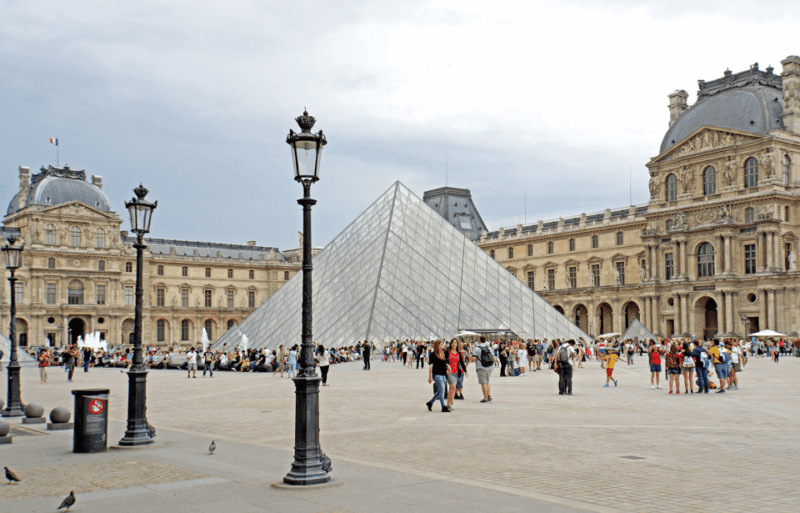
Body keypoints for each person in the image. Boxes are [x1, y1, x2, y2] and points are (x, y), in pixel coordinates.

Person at [426, 340, 450, 412]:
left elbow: (444, 363)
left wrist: (448, 367)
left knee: (440, 390)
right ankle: (443, 407)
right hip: (437, 375)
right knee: (442, 390)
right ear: (438, 345)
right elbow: (431, 366)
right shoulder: (433, 354)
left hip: (443, 375)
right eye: (441, 344)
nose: (443, 345)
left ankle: (430, 403)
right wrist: (430, 376)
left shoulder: (443, 353)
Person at [471, 336, 493, 403]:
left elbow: (474, 358)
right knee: (487, 381)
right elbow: (493, 355)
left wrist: (471, 358)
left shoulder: (477, 348)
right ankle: (489, 395)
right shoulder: (489, 347)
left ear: (479, 340)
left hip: (481, 367)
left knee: (483, 383)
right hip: (489, 366)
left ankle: (485, 398)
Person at [446, 339, 460, 409]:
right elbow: (445, 361)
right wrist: (446, 369)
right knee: (453, 386)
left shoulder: (458, 353)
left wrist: (465, 370)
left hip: (456, 373)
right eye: (453, 342)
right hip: (449, 372)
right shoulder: (448, 352)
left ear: (457, 344)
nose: (454, 344)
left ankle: (448, 403)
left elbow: (460, 363)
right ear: (451, 344)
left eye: (455, 343)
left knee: (452, 389)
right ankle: (452, 403)